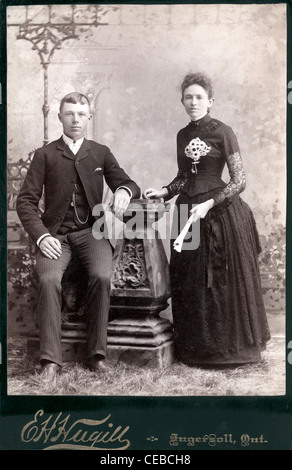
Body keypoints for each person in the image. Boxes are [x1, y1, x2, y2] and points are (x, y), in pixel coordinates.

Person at [145, 72, 270, 366]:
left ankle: (227, 351)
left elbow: (239, 181)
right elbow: (183, 177)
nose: (193, 102)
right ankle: (195, 350)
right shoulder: (182, 135)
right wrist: (163, 192)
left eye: (199, 97)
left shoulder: (223, 132)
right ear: (182, 101)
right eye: (188, 97)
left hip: (220, 214)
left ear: (210, 101)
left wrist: (210, 203)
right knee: (190, 278)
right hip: (187, 210)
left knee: (218, 281)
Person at [16, 92, 140, 380]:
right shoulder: (45, 154)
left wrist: (123, 191)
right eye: (69, 113)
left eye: (81, 114)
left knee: (102, 276)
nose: (75, 119)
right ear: (59, 117)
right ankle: (50, 360)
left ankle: (96, 355)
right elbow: (25, 202)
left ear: (89, 117)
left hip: (91, 234)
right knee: (48, 280)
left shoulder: (100, 152)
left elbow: (128, 183)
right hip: (55, 237)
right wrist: (41, 236)